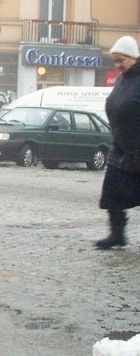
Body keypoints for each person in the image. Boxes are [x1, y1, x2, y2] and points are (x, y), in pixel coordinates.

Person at [95, 35, 140, 249]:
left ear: (133, 58)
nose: (118, 65)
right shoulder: (122, 79)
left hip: (138, 149)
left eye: (121, 60)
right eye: (115, 61)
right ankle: (117, 235)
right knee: (112, 194)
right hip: (120, 147)